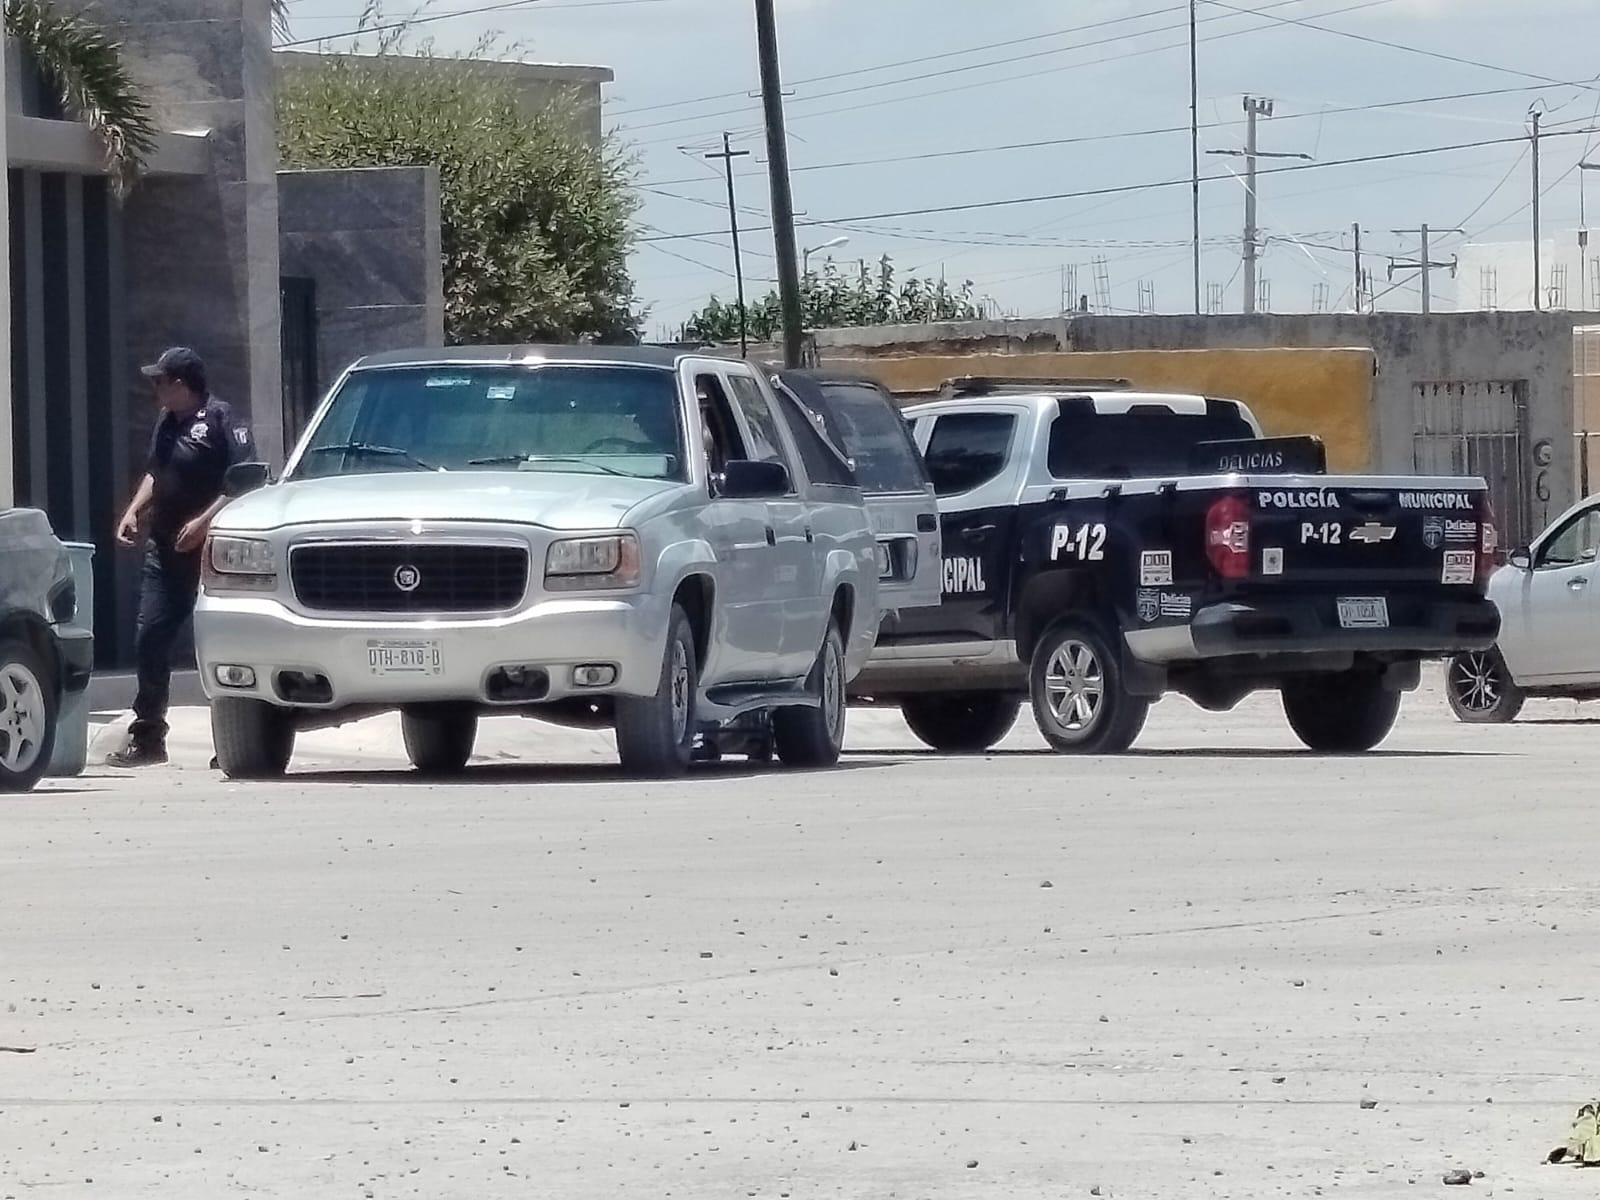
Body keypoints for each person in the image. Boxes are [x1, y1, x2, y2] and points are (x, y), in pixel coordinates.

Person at [106, 348, 258, 768]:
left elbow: (245, 479)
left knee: (221, 642)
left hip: (214, 548)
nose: (154, 387)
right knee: (149, 637)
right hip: (166, 547)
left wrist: (205, 524)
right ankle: (149, 737)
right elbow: (157, 471)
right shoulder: (166, 423)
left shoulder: (222, 419)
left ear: (181, 384)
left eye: (160, 380)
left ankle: (234, 742)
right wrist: (134, 511)